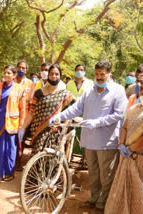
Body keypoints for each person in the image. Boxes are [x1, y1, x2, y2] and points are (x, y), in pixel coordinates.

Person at [50, 60, 128, 211]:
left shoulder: (118, 90)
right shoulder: (89, 91)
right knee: (92, 172)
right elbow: (76, 109)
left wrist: (97, 122)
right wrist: (58, 116)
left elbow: (119, 114)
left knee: (106, 175)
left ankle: (102, 204)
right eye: (97, 74)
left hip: (107, 142)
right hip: (89, 140)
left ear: (109, 75)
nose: (99, 77)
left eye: (102, 74)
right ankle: (93, 198)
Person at [104, 78, 143, 214]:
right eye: (142, 89)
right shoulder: (134, 108)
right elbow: (124, 127)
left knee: (141, 191)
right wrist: (121, 144)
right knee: (123, 188)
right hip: (126, 157)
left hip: (141, 158)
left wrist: (130, 149)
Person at [19, 64, 74, 154]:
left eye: (57, 74)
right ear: (48, 75)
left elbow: (67, 114)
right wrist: (23, 128)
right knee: (36, 157)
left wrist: (63, 131)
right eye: (51, 74)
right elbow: (31, 113)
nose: (54, 76)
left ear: (60, 76)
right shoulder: (39, 93)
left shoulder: (65, 94)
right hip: (38, 131)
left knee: (51, 160)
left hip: (55, 132)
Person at [0, 65, 25, 181]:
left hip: (11, 123)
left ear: (14, 75)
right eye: (5, 73)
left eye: (9, 73)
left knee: (9, 149)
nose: (6, 75)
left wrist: (21, 124)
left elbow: (23, 108)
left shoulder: (19, 88)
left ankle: (8, 173)